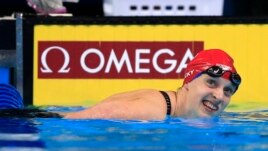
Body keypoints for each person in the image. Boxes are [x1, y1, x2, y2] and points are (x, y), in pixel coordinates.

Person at [63, 49, 241, 120]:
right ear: (188, 81)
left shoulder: (173, 109)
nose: (219, 96)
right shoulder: (152, 111)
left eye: (228, 91)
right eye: (211, 82)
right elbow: (81, 118)